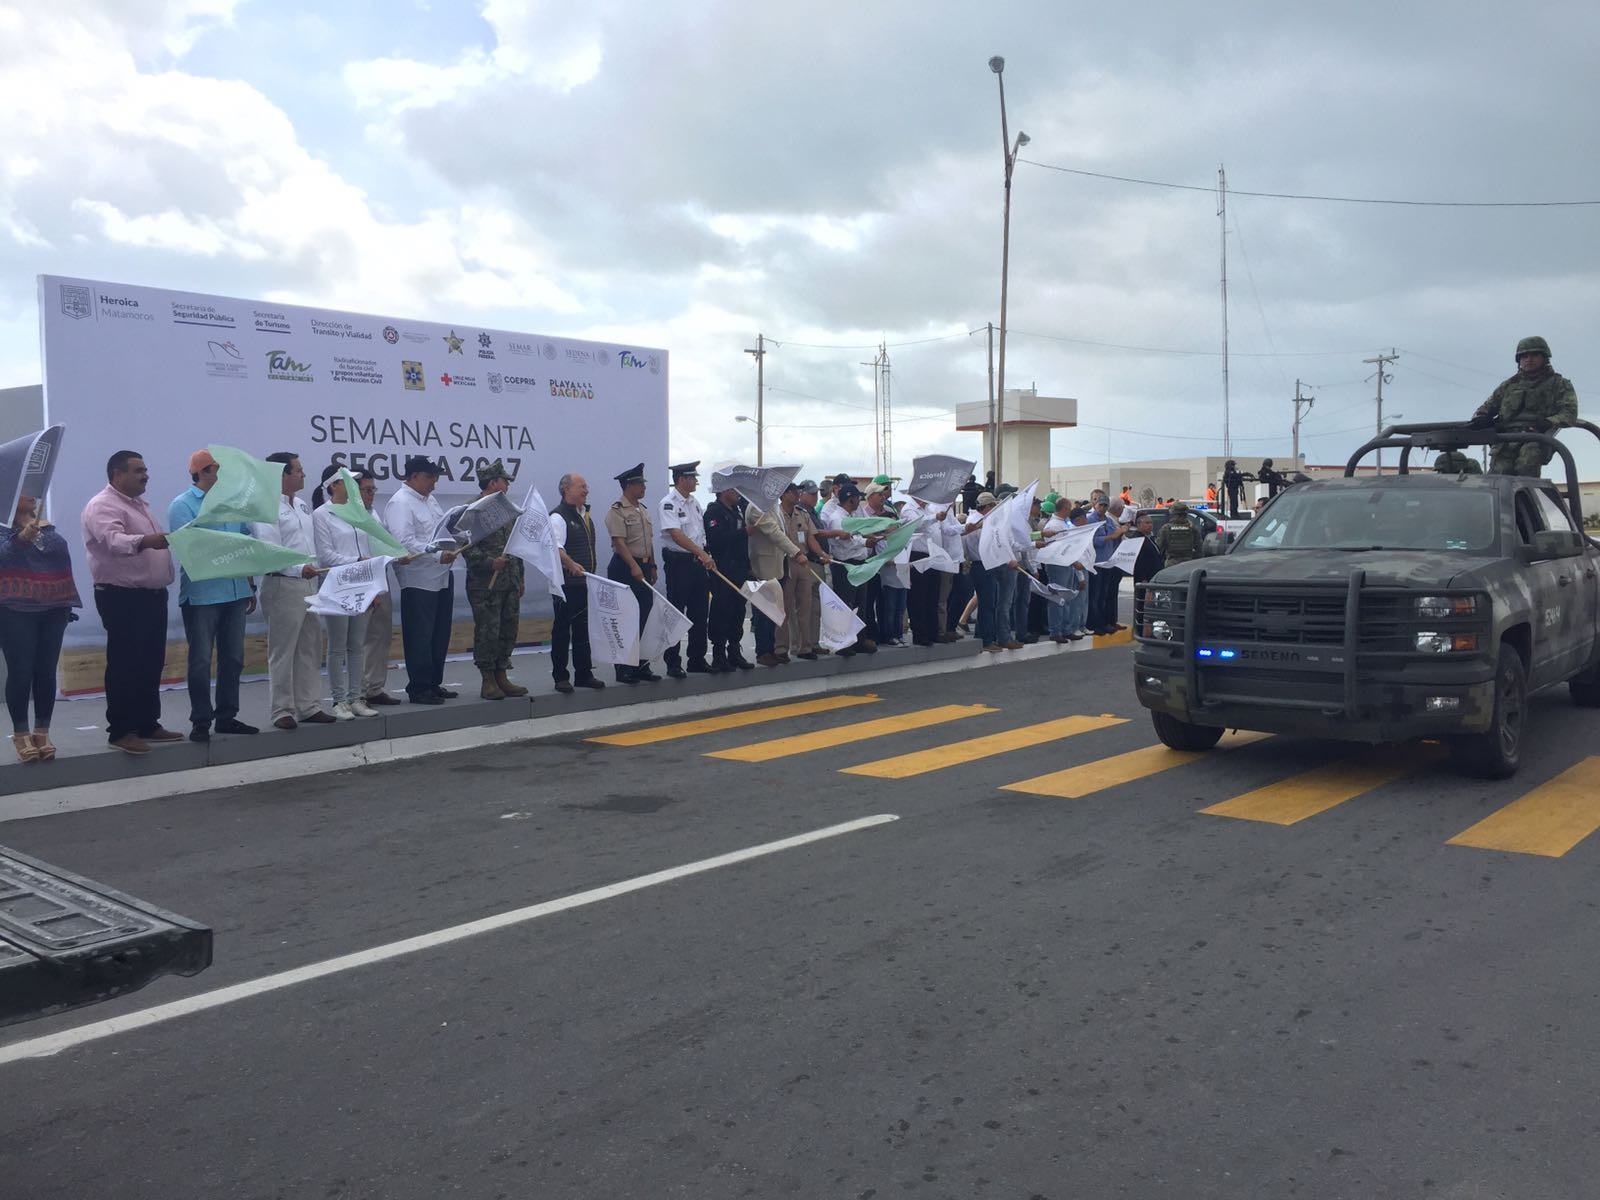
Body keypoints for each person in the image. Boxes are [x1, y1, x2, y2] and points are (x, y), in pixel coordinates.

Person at [81, 450, 183, 755]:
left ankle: (147, 723)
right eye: (138, 470)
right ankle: (121, 730)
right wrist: (145, 541)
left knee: (151, 660)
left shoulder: (139, 505)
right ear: (117, 474)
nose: (146, 475)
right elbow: (112, 541)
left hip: (150, 595)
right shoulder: (102, 505)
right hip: (122, 596)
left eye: (146, 469)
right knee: (125, 663)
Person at [168, 448, 259, 743]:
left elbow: (246, 544)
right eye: (217, 470)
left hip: (235, 591)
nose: (222, 477)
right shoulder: (181, 505)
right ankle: (201, 720)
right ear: (204, 472)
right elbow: (192, 547)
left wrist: (250, 584)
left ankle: (227, 717)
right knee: (200, 660)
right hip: (203, 595)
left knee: (233, 658)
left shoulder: (231, 505)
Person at [252, 451, 332, 729]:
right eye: (297, 470)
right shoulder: (266, 507)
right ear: (281, 474)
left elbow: (310, 546)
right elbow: (271, 549)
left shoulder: (301, 506)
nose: (303, 474)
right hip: (282, 583)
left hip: (310, 583)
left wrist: (315, 569)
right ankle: (282, 709)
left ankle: (309, 705)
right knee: (283, 650)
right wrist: (299, 569)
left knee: (310, 647)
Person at [0, 494, 80, 761]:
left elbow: (61, 559)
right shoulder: (2, 528)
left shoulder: (47, 527)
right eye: (24, 492)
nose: (32, 496)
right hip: (15, 609)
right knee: (21, 671)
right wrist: (20, 538)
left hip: (54, 607)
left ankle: (42, 731)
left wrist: (67, 602)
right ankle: (21, 733)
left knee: (46, 671)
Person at [383, 455, 460, 705]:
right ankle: (418, 687)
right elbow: (403, 542)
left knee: (439, 633)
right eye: (429, 477)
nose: (434, 483)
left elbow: (441, 532)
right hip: (417, 579)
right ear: (413, 476)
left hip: (441, 575)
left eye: (435, 477)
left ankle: (434, 682)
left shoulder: (432, 501)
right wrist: (438, 555)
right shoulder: (400, 502)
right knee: (420, 635)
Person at [310, 465, 378, 719]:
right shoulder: (321, 514)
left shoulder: (358, 511)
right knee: (338, 645)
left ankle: (356, 697)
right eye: (346, 481)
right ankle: (339, 701)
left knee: (356, 645)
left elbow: (371, 542)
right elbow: (325, 555)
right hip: (336, 585)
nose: (351, 485)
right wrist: (356, 560)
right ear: (333, 486)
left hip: (359, 585)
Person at [461, 460, 528, 701]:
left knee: (508, 629)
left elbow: (515, 546)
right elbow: (465, 547)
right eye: (504, 481)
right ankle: (487, 680)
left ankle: (502, 675)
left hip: (508, 582)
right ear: (492, 483)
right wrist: (490, 563)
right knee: (488, 631)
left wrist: (519, 577)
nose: (507, 485)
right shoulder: (472, 510)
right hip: (484, 585)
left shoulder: (507, 510)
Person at [1472, 336, 1579, 476]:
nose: (1529, 359)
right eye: (1524, 356)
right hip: (1505, 440)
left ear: (1545, 357)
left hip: (1535, 438)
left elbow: (1569, 413)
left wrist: (1548, 423)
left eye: (1535, 354)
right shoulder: (1508, 385)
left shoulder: (1559, 384)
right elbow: (1486, 407)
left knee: (1527, 465)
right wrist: (1482, 418)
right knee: (1498, 478)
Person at [657, 461, 715, 679]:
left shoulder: (694, 503)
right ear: (682, 479)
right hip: (679, 563)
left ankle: (697, 659)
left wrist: (706, 554)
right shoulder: (669, 503)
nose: (696, 481)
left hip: (698, 563)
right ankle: (673, 662)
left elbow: (699, 535)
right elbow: (676, 534)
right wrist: (701, 553)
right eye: (693, 477)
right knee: (676, 613)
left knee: (700, 613)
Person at [548, 472, 604, 694]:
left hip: (583, 583)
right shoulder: (558, 517)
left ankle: (584, 674)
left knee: (583, 630)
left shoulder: (584, 515)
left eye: (586, 486)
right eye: (582, 486)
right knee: (562, 630)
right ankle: (561, 676)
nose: (586, 490)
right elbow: (556, 548)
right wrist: (571, 564)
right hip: (565, 584)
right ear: (566, 489)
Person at [604, 463, 658, 684]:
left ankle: (641, 665)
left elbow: (649, 541)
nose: (643, 487)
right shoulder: (616, 511)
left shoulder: (642, 509)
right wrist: (634, 566)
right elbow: (619, 543)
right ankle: (624, 668)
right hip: (625, 568)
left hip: (643, 567)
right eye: (639, 484)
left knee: (645, 616)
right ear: (628, 486)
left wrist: (652, 565)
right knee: (626, 619)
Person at [747, 483, 806, 667]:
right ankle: (762, 651)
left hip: (777, 564)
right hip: (763, 565)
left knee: (773, 610)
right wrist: (796, 552)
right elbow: (774, 532)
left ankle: (771, 649)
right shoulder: (756, 507)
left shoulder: (772, 506)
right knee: (763, 610)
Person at [357, 472, 402, 707]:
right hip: (361, 580)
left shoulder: (372, 513)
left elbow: (383, 543)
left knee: (381, 635)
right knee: (361, 638)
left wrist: (399, 555)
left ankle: (375, 687)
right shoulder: (348, 515)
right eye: (367, 489)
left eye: (373, 489)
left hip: (380, 577)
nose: (372, 494)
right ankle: (359, 691)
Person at [818, 483, 879, 656]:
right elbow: (847, 541)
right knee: (846, 605)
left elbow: (857, 535)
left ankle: (859, 639)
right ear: (850, 499)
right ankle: (843, 643)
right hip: (846, 565)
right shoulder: (838, 518)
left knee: (861, 603)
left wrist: (868, 538)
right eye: (857, 497)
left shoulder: (851, 517)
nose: (859, 501)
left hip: (858, 563)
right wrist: (865, 542)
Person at [704, 482, 752, 670]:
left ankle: (734, 651)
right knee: (721, 611)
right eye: (734, 490)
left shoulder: (737, 510)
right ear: (725, 491)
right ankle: (718, 654)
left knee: (738, 611)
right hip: (723, 570)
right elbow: (716, 541)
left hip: (739, 569)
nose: (738, 494)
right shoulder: (714, 512)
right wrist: (743, 532)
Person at [780, 481, 828, 661]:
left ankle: (805, 646)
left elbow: (811, 539)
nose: (796, 494)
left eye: (797, 491)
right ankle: (786, 647)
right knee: (786, 608)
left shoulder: (803, 514)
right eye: (792, 491)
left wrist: (822, 554)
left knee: (805, 606)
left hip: (804, 562)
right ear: (783, 495)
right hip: (786, 562)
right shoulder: (777, 514)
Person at [794, 480, 829, 655]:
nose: (815, 496)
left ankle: (813, 643)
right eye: (812, 493)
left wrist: (823, 554)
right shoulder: (798, 511)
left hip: (817, 561)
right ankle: (801, 645)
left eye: (817, 493)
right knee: (803, 607)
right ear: (802, 494)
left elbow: (813, 537)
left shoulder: (811, 512)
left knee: (815, 607)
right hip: (805, 562)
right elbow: (812, 538)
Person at [1086, 496, 1127, 636]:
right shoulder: (1091, 520)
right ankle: (1094, 623)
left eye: (1105, 505)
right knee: (1095, 596)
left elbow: (1115, 536)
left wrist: (1120, 533)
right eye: (1100, 505)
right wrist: (1111, 536)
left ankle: (1104, 622)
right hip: (1097, 562)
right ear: (1095, 505)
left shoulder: (1108, 520)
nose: (1103, 508)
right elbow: (1093, 541)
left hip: (1108, 562)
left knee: (1104, 594)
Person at [1154, 500, 1203, 565]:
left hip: (1171, 564)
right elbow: (1199, 549)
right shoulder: (1192, 528)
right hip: (1188, 563)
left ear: (1173, 514)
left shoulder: (1166, 528)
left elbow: (1157, 547)